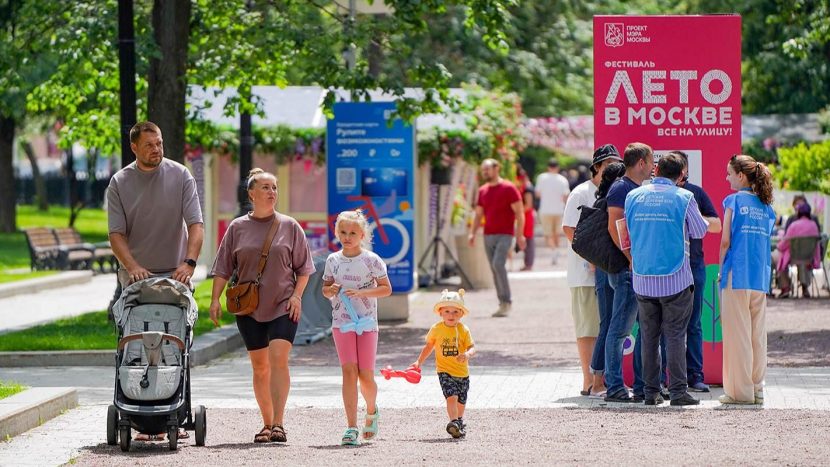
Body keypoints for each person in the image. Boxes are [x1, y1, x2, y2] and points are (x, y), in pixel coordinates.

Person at [107, 121, 204, 442]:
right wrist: (132, 266)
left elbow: (196, 224)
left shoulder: (180, 176)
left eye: (159, 143)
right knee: (135, 346)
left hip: (175, 275)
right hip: (137, 277)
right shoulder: (120, 182)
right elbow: (115, 235)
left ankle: (173, 412)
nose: (157, 150)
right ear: (134, 147)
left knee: (177, 346)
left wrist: (189, 263)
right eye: (149, 145)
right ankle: (138, 414)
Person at [209, 168, 315, 442]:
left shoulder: (290, 226)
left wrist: (296, 296)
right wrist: (214, 300)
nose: (271, 192)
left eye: (274, 188)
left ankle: (279, 423)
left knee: (278, 360)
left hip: (283, 304)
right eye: (265, 187)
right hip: (248, 307)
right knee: (260, 367)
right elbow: (223, 267)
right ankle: (266, 424)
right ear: (251, 194)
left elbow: (304, 268)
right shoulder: (237, 227)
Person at [624, 153, 710, 406]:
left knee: (648, 336)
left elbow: (628, 229)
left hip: (642, 277)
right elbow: (699, 231)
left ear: (657, 169)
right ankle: (678, 392)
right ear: (682, 175)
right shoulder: (684, 197)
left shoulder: (634, 196)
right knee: (675, 336)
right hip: (676, 279)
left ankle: (650, 392)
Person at [321, 209, 392, 445]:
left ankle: (371, 411)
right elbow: (326, 288)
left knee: (366, 376)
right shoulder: (333, 261)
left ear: (362, 234)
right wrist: (329, 291)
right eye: (343, 232)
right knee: (349, 372)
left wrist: (362, 292)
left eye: (352, 232)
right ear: (337, 233)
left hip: (367, 324)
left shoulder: (372, 260)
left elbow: (386, 289)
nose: (347, 236)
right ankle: (351, 426)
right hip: (342, 322)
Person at [562, 144, 622, 397]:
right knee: (587, 328)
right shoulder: (581, 193)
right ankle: (588, 378)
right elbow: (569, 230)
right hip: (584, 274)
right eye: (607, 164)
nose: (611, 168)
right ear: (596, 167)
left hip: (609, 272)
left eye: (615, 164)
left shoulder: (615, 192)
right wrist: (593, 258)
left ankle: (603, 378)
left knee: (606, 325)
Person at [718, 154, 776, 405]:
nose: (726, 177)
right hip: (759, 277)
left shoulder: (733, 201)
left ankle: (739, 393)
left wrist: (721, 268)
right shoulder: (767, 208)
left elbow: (725, 241)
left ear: (741, 176)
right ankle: (757, 388)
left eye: (729, 173)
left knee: (737, 335)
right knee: (756, 335)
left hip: (736, 274)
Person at [603, 142, 653, 403]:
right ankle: (614, 386)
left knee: (638, 329)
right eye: (651, 160)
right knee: (619, 331)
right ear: (641, 162)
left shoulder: (633, 189)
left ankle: (641, 386)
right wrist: (631, 258)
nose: (654, 165)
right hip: (625, 270)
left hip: (632, 269)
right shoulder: (622, 188)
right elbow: (615, 227)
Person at [674, 151, 722, 392]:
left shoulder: (697, 192)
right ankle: (666, 378)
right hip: (667, 266)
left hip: (694, 265)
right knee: (664, 325)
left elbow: (716, 225)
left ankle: (695, 375)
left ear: (684, 171)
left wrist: (693, 217)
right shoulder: (655, 194)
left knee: (693, 323)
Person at [412, 288, 476, 439]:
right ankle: (453, 422)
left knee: (461, 400)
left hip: (462, 372)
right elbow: (429, 347)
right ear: (440, 312)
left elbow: (472, 347)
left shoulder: (463, 330)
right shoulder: (437, 329)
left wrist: (467, 354)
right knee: (451, 396)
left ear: (461, 313)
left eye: (455, 312)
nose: (451, 315)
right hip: (444, 371)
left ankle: (459, 422)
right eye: (447, 311)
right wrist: (418, 362)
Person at [469, 159, 525, 317]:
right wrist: (472, 233)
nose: (485, 172)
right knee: (494, 269)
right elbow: (478, 214)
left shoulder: (508, 188)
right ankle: (502, 302)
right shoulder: (482, 190)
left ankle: (507, 301)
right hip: (488, 235)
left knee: (498, 264)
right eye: (483, 169)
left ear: (497, 168)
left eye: (487, 169)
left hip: (505, 234)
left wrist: (520, 235)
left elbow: (519, 213)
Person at [775, 202, 821, 298]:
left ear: (798, 213)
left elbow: (785, 243)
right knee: (803, 262)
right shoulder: (814, 225)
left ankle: (785, 287)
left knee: (780, 258)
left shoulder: (794, 225)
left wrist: (778, 246)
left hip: (794, 257)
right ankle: (805, 287)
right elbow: (816, 244)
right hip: (809, 257)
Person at [535, 158, 570, 262]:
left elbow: (537, 194)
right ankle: (556, 251)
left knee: (548, 234)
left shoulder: (541, 177)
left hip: (545, 210)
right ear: (557, 167)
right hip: (559, 210)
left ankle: (553, 251)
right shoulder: (563, 179)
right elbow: (565, 196)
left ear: (548, 167)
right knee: (556, 233)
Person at [515, 166, 536, 271]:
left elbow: (528, 204)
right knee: (527, 238)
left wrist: (517, 212)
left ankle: (528, 264)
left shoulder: (527, 187)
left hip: (528, 215)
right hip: (525, 214)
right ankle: (527, 263)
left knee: (529, 239)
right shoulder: (525, 186)